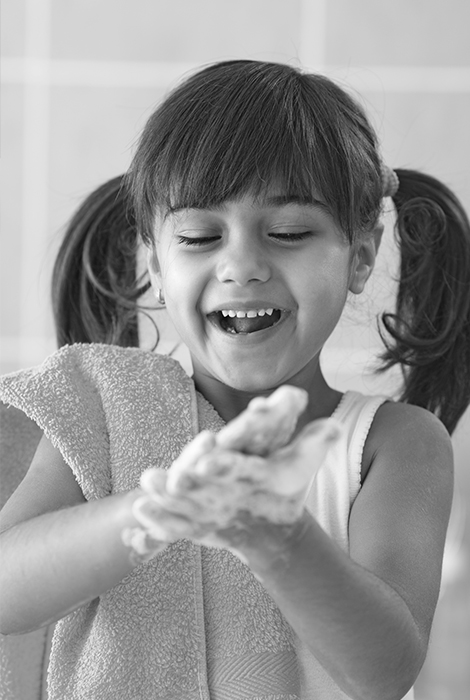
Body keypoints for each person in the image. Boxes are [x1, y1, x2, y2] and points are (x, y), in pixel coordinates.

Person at [1, 60, 469, 700]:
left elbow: (385, 672)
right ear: (156, 265)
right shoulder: (106, 419)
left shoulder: (392, 444)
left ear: (361, 255)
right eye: (198, 236)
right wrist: (158, 511)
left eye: (288, 233)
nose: (242, 265)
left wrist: (276, 536)